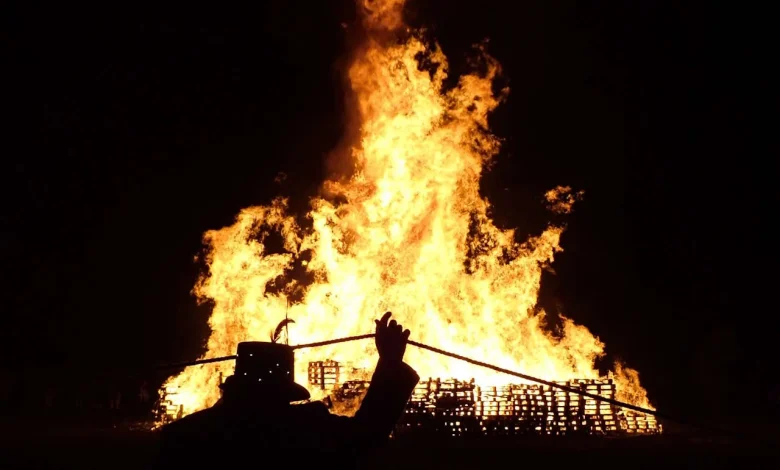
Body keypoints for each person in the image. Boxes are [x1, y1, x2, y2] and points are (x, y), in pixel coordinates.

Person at [155, 312, 419, 468]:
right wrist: (390, 362)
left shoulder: (185, 434)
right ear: (283, 392)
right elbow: (366, 434)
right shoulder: (303, 428)